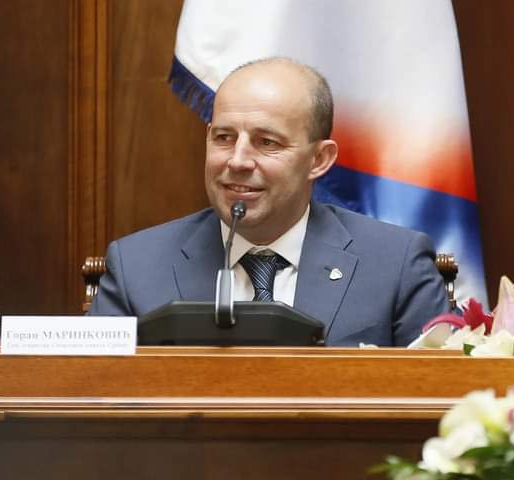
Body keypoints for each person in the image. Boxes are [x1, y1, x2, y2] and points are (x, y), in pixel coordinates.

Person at [89, 57, 449, 346]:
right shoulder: (137, 267)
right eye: (224, 138)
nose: (238, 161)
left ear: (319, 159)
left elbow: (441, 395)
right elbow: (96, 394)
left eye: (267, 143)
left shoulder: (395, 265)